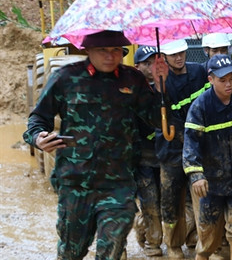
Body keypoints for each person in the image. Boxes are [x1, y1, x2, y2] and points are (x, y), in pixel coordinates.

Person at [23, 30, 170, 260]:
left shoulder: (132, 79)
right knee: (72, 252)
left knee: (111, 248)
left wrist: (161, 86)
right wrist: (38, 137)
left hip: (118, 184)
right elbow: (38, 117)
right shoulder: (66, 78)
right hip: (76, 182)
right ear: (87, 50)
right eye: (103, 50)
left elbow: (156, 120)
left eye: (116, 50)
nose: (110, 56)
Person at [183, 54, 232, 260]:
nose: (229, 84)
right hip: (211, 181)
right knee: (208, 232)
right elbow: (190, 144)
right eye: (222, 80)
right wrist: (196, 175)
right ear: (210, 79)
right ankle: (203, 256)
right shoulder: (200, 107)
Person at [157, 38, 208, 258]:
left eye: (182, 53)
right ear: (165, 57)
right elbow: (167, 119)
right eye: (173, 54)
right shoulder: (162, 82)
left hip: (199, 145)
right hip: (172, 150)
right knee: (171, 197)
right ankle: (172, 243)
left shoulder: (199, 72)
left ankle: (201, 241)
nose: (179, 58)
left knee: (203, 194)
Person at [132, 45, 164, 257]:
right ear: (137, 67)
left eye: (155, 61)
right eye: (147, 63)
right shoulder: (130, 92)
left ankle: (145, 229)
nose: (152, 66)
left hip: (166, 156)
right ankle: (153, 242)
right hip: (142, 158)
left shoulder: (164, 88)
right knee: (150, 201)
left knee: (166, 201)